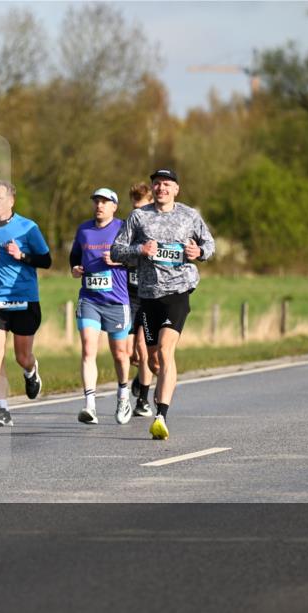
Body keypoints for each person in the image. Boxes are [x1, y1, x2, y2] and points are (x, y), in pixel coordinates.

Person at [111, 169, 215, 440]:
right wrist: (139, 250)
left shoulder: (189, 215)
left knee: (166, 352)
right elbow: (116, 250)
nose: (162, 189)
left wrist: (199, 252)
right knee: (154, 359)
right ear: (152, 188)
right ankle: (157, 392)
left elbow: (210, 244)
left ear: (176, 189)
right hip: (148, 295)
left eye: (167, 184)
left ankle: (161, 416)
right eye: (157, 184)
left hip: (178, 292)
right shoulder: (138, 216)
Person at [0, 180, 51, 427]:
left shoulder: (28, 228)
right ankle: (3, 410)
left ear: (11, 201)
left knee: (22, 356)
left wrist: (21, 255)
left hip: (24, 298)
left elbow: (46, 260)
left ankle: (31, 371)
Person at [70, 188, 133, 426]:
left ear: (114, 206)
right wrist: (75, 269)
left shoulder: (123, 228)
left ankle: (123, 395)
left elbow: (137, 257)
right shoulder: (83, 229)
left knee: (120, 354)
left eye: (105, 202)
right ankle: (90, 406)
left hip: (116, 300)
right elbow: (74, 257)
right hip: (90, 299)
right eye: (97, 201)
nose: (99, 205)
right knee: (88, 349)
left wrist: (117, 260)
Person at [127, 183, 154, 417]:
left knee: (143, 350)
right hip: (127, 297)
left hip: (147, 297)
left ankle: (143, 400)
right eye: (134, 209)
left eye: (142, 209)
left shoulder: (157, 229)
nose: (138, 214)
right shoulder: (126, 228)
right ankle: (139, 375)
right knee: (128, 352)